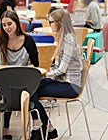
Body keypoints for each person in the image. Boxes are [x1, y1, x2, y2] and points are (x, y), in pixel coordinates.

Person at [30, 9, 83, 140]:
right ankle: (46, 126)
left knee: (30, 90)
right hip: (62, 81)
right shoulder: (63, 38)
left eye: (51, 22)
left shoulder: (68, 40)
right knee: (29, 87)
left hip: (70, 85)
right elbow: (58, 68)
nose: (50, 24)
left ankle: (41, 126)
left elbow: (62, 70)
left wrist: (45, 75)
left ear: (59, 23)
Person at [0, 10, 39, 140]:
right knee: (13, 90)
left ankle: (7, 130)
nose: (7, 28)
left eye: (10, 24)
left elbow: (35, 63)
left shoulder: (28, 41)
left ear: (17, 23)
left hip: (23, 80)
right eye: (4, 25)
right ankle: (39, 125)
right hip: (4, 81)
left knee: (23, 89)